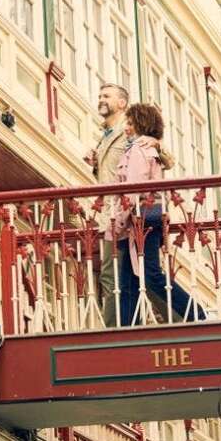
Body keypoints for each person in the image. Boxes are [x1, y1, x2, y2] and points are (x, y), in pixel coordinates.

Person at [111, 102, 206, 325]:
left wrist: (117, 224)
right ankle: (127, 327)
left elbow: (133, 189)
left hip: (140, 219)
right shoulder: (147, 149)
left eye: (130, 123)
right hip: (145, 217)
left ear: (139, 124)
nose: (125, 128)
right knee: (130, 279)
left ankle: (196, 314)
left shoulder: (139, 150)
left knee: (150, 274)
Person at [87, 84, 129, 326]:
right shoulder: (104, 136)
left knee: (113, 272)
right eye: (100, 95)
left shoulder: (128, 130)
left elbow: (163, 156)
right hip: (109, 214)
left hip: (123, 212)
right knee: (114, 272)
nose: (101, 99)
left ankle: (114, 329)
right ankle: (116, 325)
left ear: (122, 103)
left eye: (107, 96)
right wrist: (95, 164)